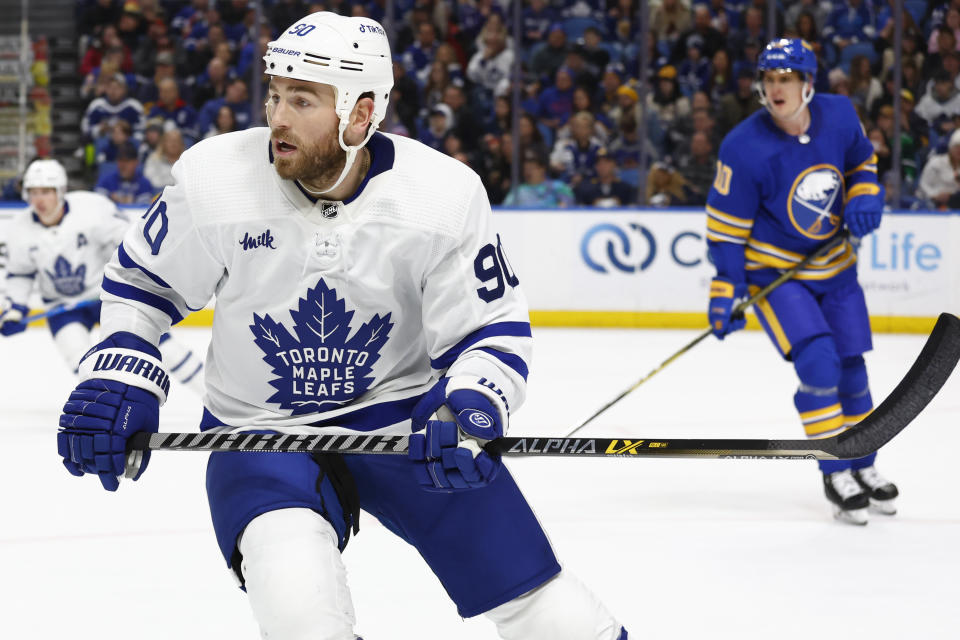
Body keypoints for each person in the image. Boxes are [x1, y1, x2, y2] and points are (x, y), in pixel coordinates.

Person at [55, 12, 628, 640]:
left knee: (557, 618)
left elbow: (487, 329)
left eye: (302, 100)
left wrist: (474, 401)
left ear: (360, 114)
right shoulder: (214, 177)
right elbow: (143, 285)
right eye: (275, 94)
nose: (276, 116)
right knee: (300, 611)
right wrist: (121, 370)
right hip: (261, 430)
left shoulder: (441, 194)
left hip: (408, 426)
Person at [705, 39, 897, 526]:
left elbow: (861, 163)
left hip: (835, 265)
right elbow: (726, 232)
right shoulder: (743, 146)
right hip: (776, 275)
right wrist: (726, 287)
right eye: (769, 80)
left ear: (807, 84)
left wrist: (866, 194)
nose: (776, 89)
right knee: (819, 363)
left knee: (853, 370)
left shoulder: (839, 114)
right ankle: (835, 469)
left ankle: (864, 465)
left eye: (786, 79)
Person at [0, 159, 203, 391]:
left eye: (46, 191)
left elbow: (128, 244)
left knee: (162, 347)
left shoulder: (92, 209)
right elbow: (20, 274)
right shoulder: (19, 229)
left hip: (108, 294)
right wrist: (15, 309)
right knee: (82, 362)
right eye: (33, 192)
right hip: (62, 307)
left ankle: (211, 399)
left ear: (61, 191)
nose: (39, 200)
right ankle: (110, 407)